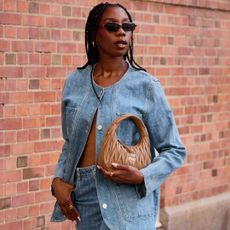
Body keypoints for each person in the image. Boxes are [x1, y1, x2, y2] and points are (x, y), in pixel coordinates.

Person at [51, 2, 186, 230]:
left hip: (128, 201)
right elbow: (70, 144)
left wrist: (143, 176)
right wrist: (58, 182)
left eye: (127, 26)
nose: (121, 32)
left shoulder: (146, 86)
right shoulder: (75, 82)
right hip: (85, 201)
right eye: (112, 26)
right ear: (94, 34)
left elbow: (174, 150)